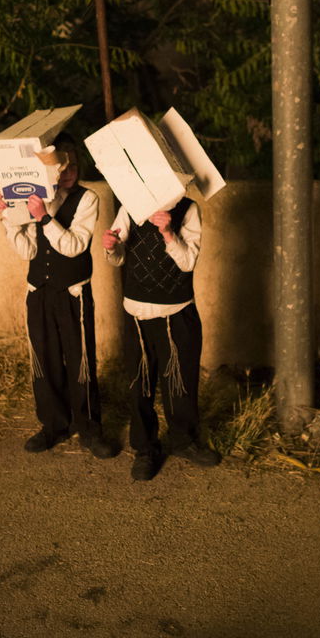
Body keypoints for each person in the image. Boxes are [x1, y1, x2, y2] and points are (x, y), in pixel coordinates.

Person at [0, 134, 116, 460]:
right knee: (45, 360)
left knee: (80, 361)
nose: (67, 173)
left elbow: (74, 245)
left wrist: (45, 218)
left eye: (72, 166)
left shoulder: (88, 199)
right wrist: (9, 221)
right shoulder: (34, 199)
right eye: (61, 167)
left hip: (73, 294)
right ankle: (53, 425)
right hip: (39, 293)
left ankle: (90, 430)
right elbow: (28, 250)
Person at [102, 196, 221, 481]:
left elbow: (188, 262)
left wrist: (168, 233)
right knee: (139, 385)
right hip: (137, 313)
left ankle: (184, 441)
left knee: (180, 382)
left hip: (177, 312)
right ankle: (145, 449)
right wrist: (111, 247)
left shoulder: (188, 209)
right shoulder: (130, 206)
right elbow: (118, 257)